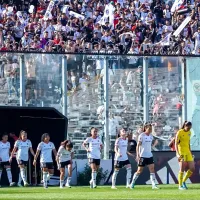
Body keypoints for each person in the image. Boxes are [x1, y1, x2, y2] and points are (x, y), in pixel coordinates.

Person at [130, 123, 159, 189]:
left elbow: (150, 145)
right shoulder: (141, 136)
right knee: (139, 170)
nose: (150, 130)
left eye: (151, 129)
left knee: (152, 169)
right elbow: (138, 146)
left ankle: (153, 185)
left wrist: (154, 145)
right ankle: (132, 183)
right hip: (143, 156)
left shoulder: (151, 136)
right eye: (149, 129)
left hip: (149, 155)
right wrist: (138, 155)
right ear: (145, 128)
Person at [175, 121, 195, 190]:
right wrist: (177, 154)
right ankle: (180, 186)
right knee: (182, 169)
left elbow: (188, 143)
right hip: (181, 152)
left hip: (188, 152)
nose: (189, 129)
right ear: (185, 126)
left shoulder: (189, 132)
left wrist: (191, 153)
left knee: (192, 168)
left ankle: (183, 181)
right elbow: (176, 144)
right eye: (188, 128)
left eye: (190, 128)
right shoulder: (180, 132)